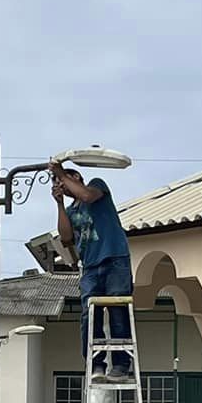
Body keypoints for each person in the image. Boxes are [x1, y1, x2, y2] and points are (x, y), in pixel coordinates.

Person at [52, 160, 134, 383]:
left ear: (76, 177)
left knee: (117, 309)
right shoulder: (71, 210)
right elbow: (66, 237)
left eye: (63, 182)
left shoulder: (97, 186)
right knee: (90, 314)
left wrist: (60, 172)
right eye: (58, 184)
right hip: (90, 266)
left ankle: (121, 364)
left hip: (114, 258)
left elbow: (87, 196)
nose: (62, 187)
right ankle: (96, 363)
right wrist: (59, 204)